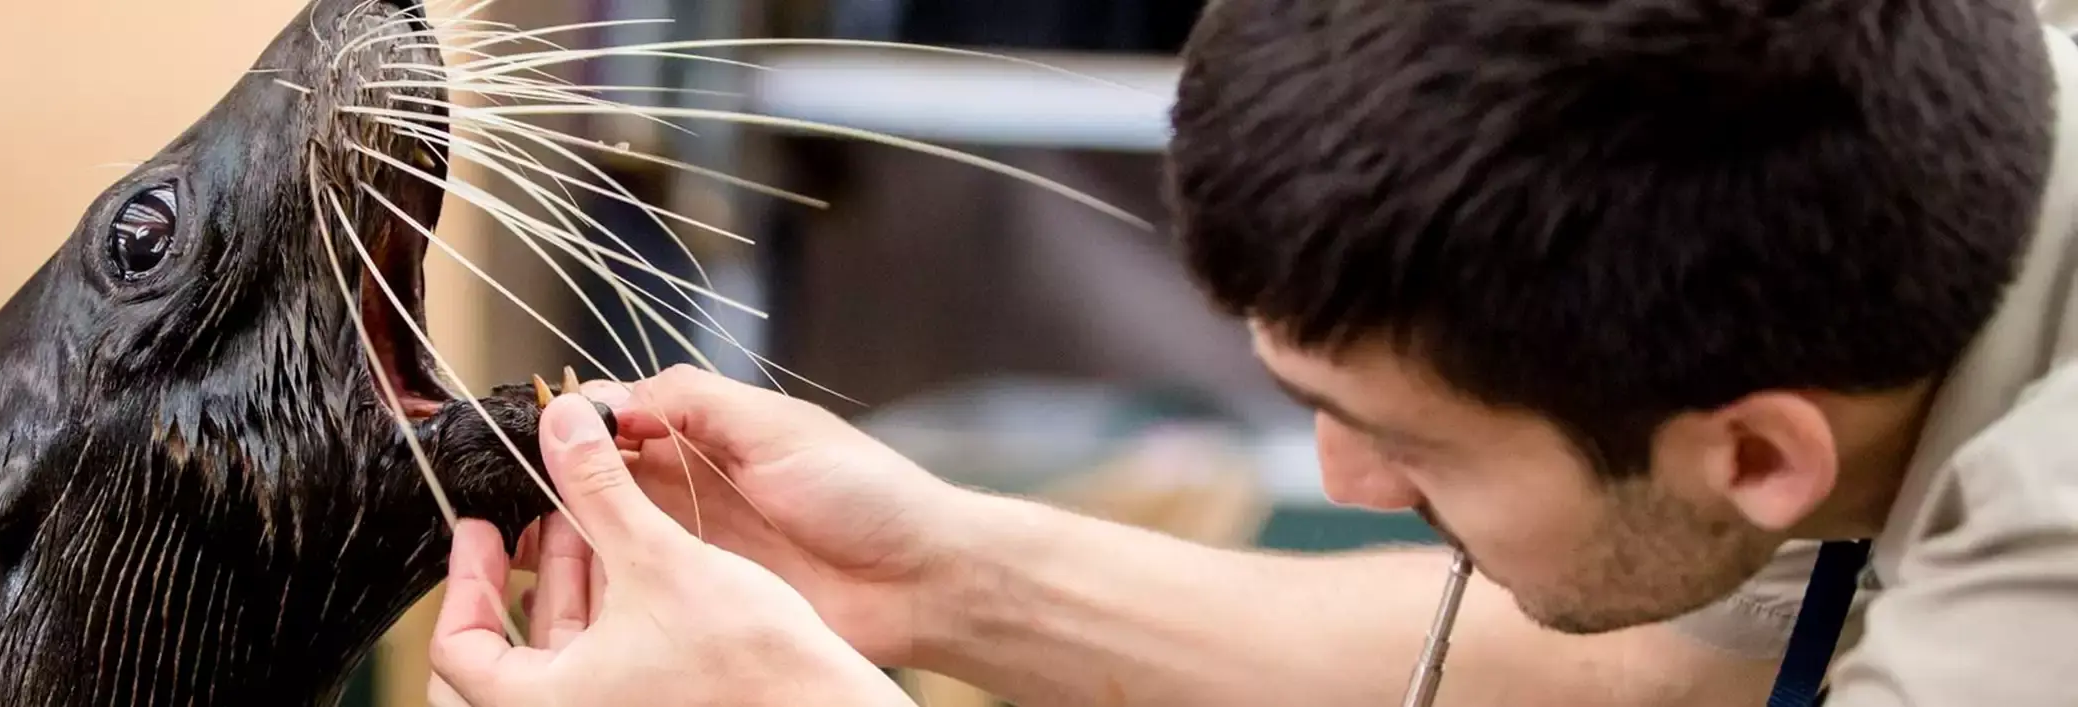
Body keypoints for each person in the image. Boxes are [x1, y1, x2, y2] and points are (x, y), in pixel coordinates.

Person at [428, 1, 2078, 705]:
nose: (1346, 483)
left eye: (1409, 443)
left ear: (1757, 453)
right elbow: (1678, 662)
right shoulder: (1898, 203)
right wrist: (938, 580)